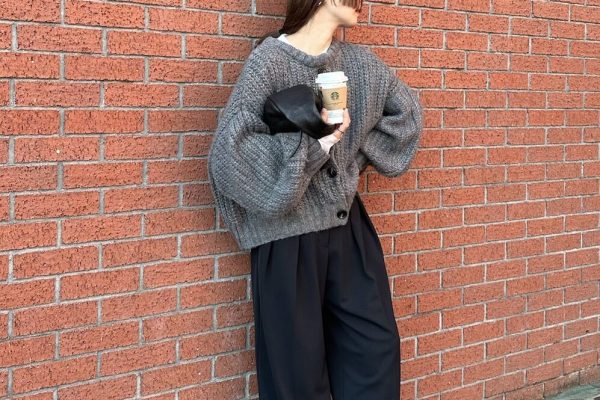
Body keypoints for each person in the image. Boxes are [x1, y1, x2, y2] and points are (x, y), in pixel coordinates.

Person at [207, 0, 424, 398]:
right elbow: (230, 157)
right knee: (297, 377)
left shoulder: (360, 64)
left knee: (374, 353)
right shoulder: (269, 62)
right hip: (286, 240)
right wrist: (314, 149)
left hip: (349, 232)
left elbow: (406, 117)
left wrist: (349, 156)